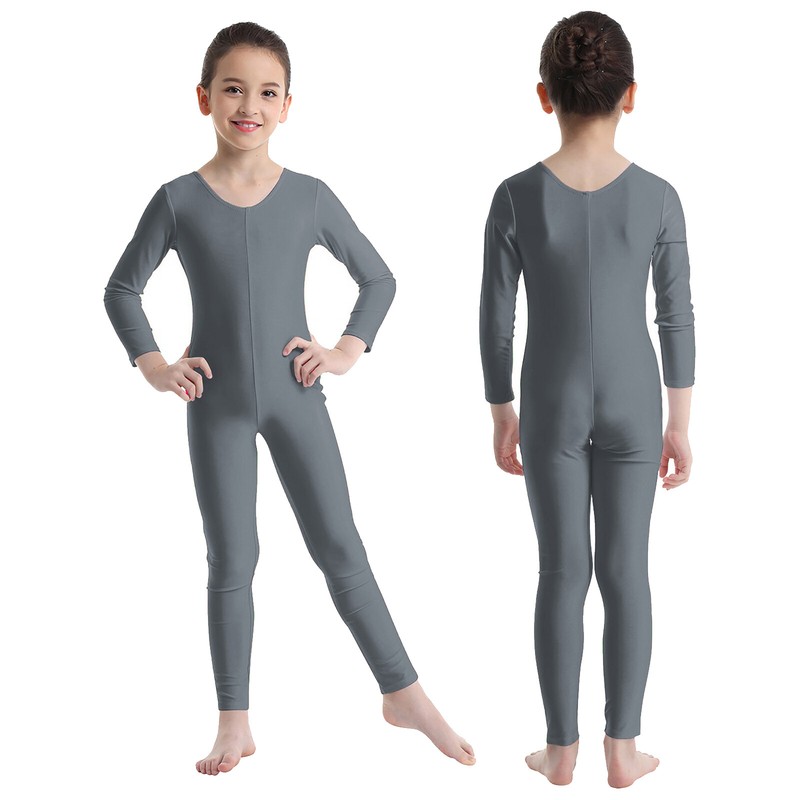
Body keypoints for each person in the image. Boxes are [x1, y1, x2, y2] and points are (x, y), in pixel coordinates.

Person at [104, 21, 475, 776]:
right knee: (232, 557)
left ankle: (403, 693)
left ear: (287, 106)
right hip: (215, 402)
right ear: (203, 98)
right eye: (233, 89)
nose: (250, 106)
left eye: (267, 92)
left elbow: (379, 278)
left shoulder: (309, 197)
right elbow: (121, 289)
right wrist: (154, 365)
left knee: (340, 546)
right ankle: (233, 722)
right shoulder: (177, 200)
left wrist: (344, 350)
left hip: (295, 394)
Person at [479, 11, 695, 789]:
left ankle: (561, 751)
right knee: (627, 572)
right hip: (636, 401)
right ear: (630, 94)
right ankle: (623, 752)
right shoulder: (660, 197)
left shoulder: (515, 197)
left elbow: (496, 318)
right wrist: (679, 422)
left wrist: (503, 412)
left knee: (561, 572)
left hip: (550, 399)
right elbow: (675, 315)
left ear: (545, 95)